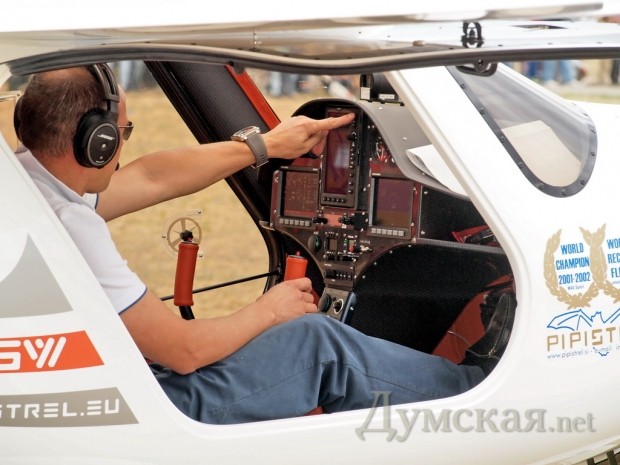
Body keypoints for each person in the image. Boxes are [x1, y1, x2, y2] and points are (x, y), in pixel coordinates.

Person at [14, 64, 514, 425]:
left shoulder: (25, 186)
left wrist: (266, 146)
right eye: (123, 132)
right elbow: (185, 352)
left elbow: (150, 177)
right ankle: (483, 397)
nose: (123, 147)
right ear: (96, 142)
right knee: (319, 344)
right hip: (148, 406)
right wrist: (270, 310)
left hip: (79, 387)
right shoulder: (69, 223)